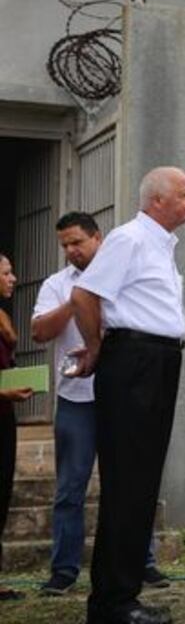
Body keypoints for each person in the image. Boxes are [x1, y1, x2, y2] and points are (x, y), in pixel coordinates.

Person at [71, 167, 185, 624]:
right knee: (126, 480)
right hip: (133, 358)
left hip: (161, 358)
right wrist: (98, 345)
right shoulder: (130, 238)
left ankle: (125, 593)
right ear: (157, 200)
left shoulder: (162, 245)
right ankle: (111, 603)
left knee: (143, 480)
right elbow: (86, 295)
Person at [33, 213, 168, 596]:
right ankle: (64, 571)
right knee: (70, 489)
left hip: (123, 396)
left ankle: (142, 563)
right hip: (76, 399)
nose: (71, 251)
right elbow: (40, 331)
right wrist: (79, 301)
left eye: (77, 242)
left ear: (98, 238)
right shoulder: (57, 284)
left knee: (129, 481)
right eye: (65, 245)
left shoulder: (125, 274)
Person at [0, 252, 35, 602]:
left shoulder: (4, 316)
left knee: (3, 496)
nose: (13, 279)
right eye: (6, 273)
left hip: (4, 416)